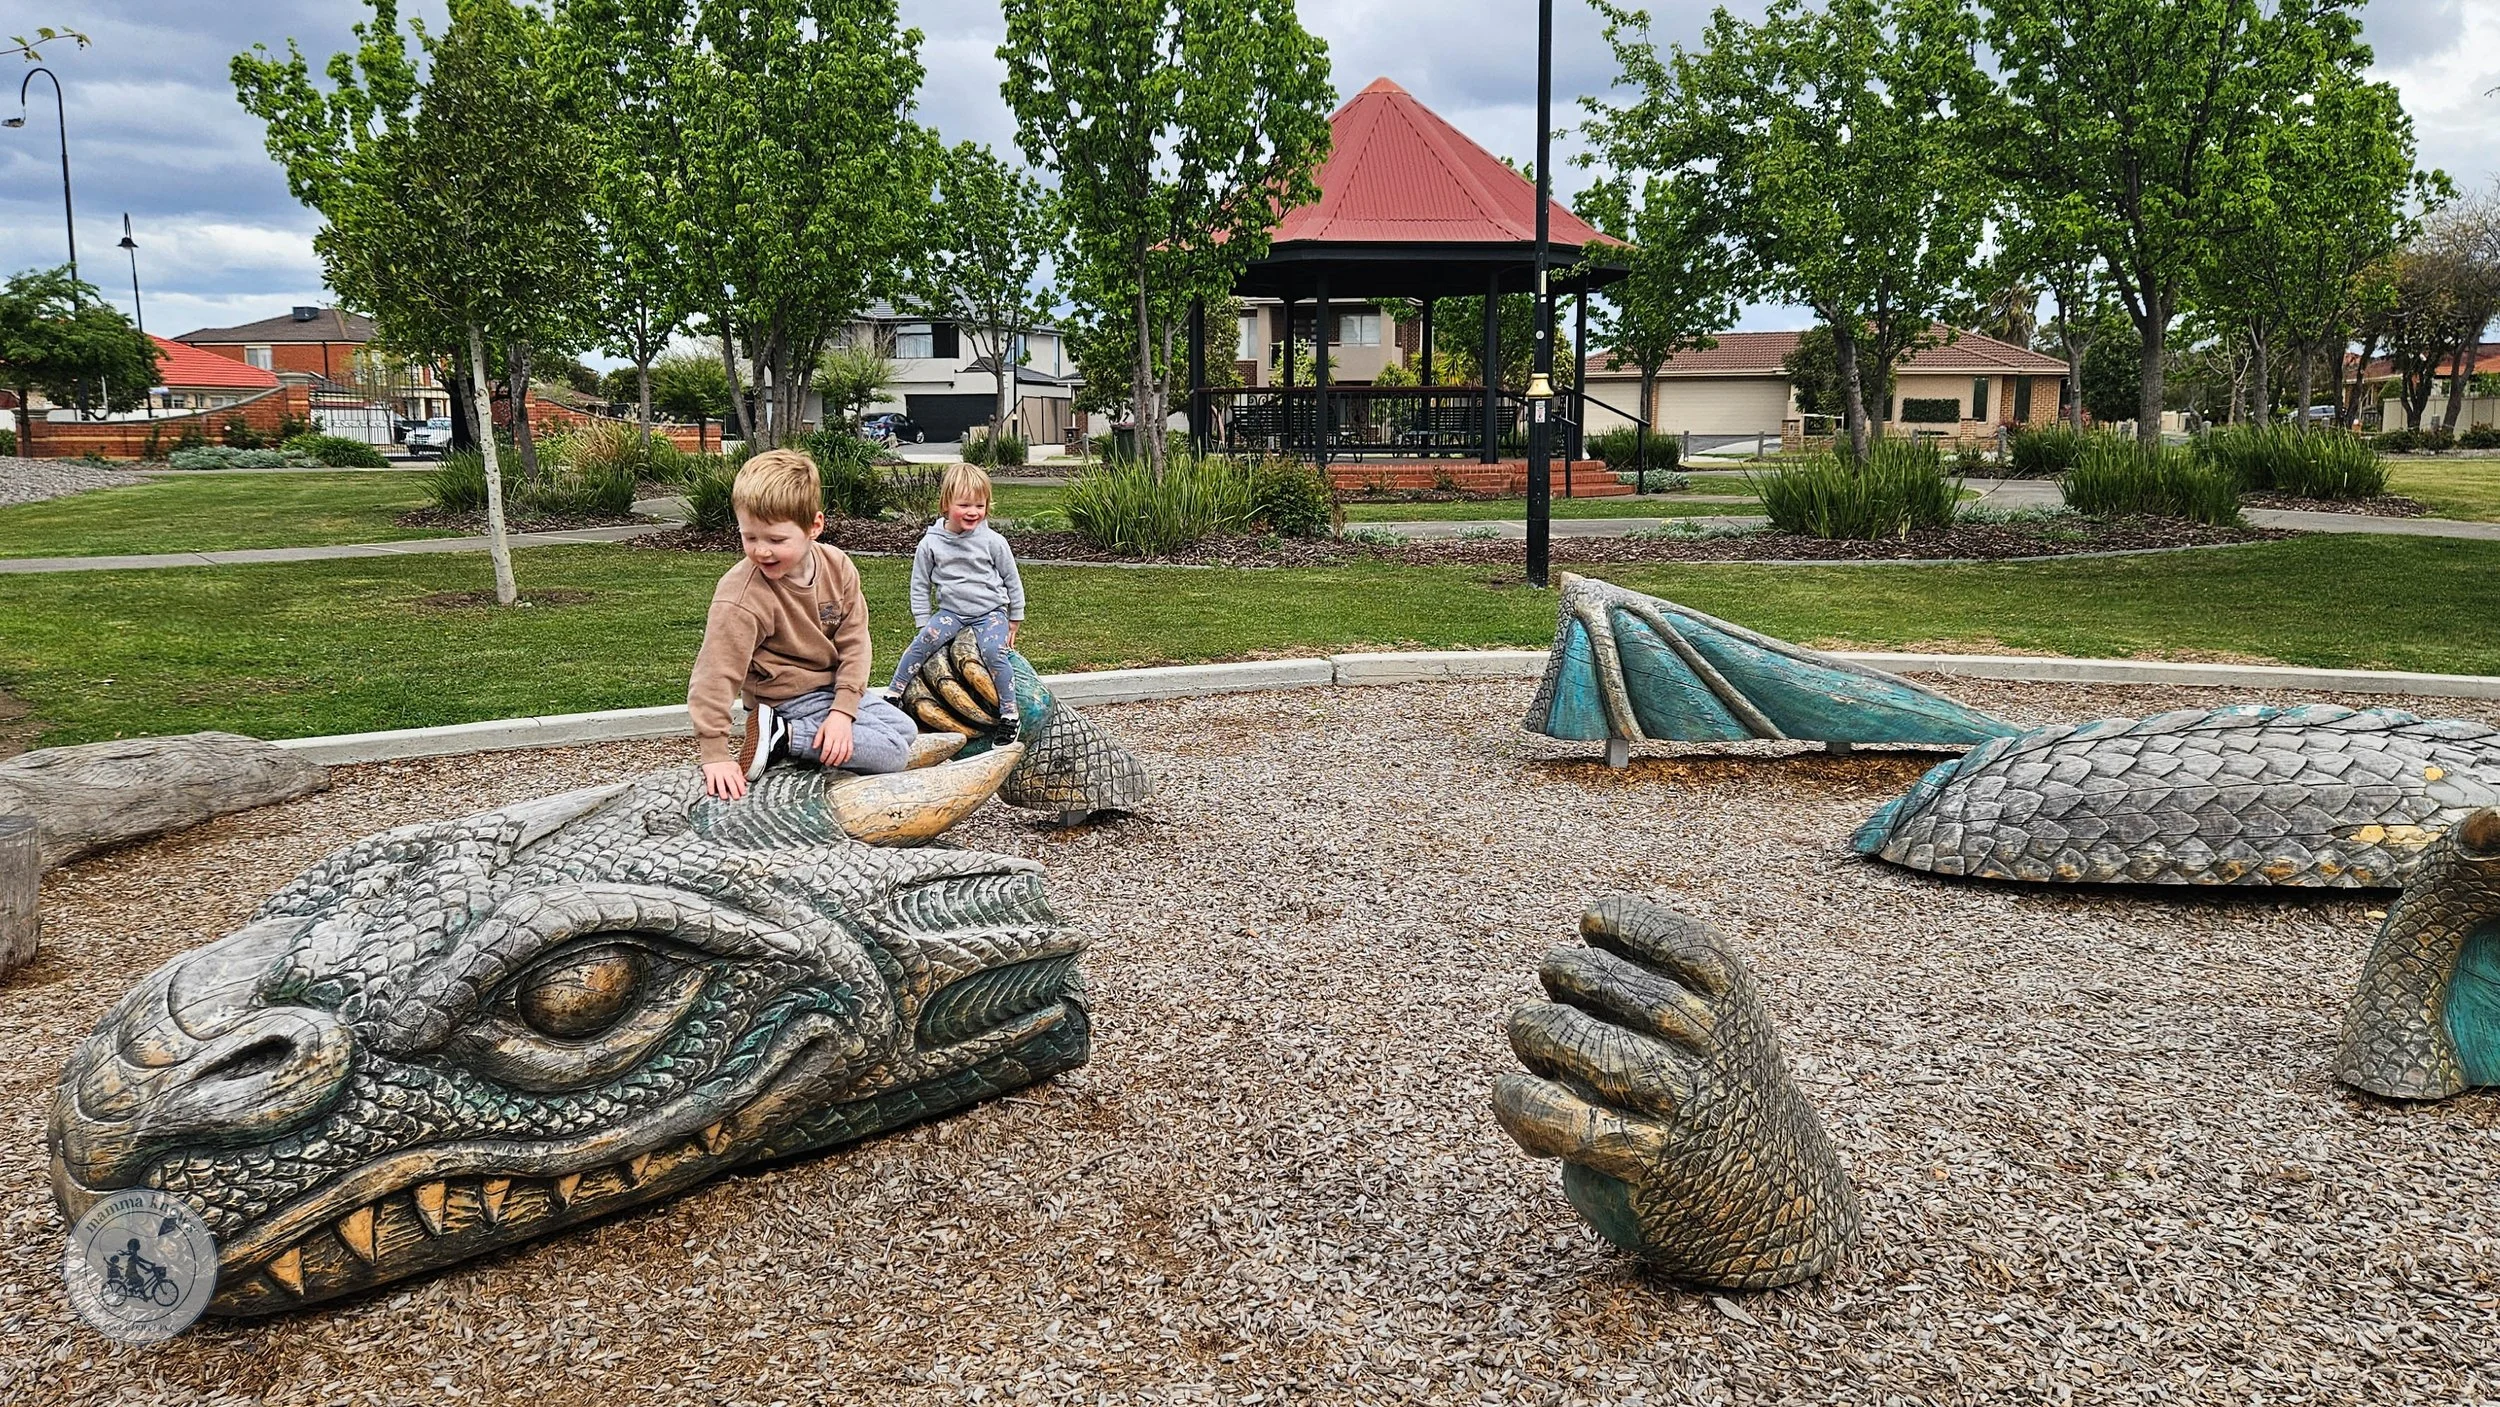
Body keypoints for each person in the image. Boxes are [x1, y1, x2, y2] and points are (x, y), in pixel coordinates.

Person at [689, 448, 918, 800]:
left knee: (905, 728)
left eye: (776, 540)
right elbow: (715, 674)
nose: (761, 551)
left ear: (814, 526)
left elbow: (855, 643)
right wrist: (715, 754)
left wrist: (842, 713)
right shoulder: (741, 597)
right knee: (893, 751)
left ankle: (794, 739)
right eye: (749, 537)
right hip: (784, 697)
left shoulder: (838, 566)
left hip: (826, 690)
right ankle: (784, 737)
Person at [886, 464, 1025, 741]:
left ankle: (1010, 713)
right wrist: (923, 621)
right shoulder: (931, 544)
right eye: (964, 505)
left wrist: (1014, 617)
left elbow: (1012, 578)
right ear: (945, 504)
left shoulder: (993, 542)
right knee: (922, 643)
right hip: (952, 613)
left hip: (990, 613)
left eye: (980, 505)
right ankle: (894, 693)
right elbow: (920, 583)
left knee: (995, 653)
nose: (973, 512)